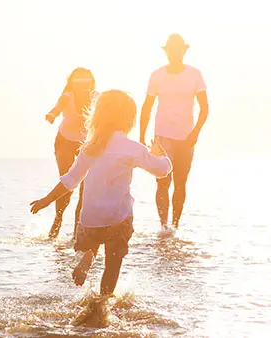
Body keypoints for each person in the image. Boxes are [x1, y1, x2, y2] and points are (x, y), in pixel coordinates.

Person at [31, 90, 173, 296]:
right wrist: (163, 155)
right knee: (112, 265)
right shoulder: (133, 148)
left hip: (90, 220)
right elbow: (161, 171)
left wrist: (46, 200)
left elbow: (70, 181)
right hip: (117, 218)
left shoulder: (90, 148)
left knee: (93, 238)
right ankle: (103, 301)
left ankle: (88, 255)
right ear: (129, 120)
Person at [140, 34, 209, 230]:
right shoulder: (157, 75)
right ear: (166, 51)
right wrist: (141, 136)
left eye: (178, 48)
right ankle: (164, 226)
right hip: (162, 137)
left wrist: (195, 133)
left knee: (180, 183)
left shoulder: (194, 74)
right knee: (162, 182)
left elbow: (204, 107)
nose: (174, 52)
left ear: (184, 51)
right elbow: (147, 107)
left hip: (186, 138)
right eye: (171, 48)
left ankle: (175, 227)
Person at [44, 67, 97, 239]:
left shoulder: (96, 97)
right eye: (78, 81)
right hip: (65, 141)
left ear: (90, 82)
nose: (82, 85)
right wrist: (51, 115)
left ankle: (77, 231)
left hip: (87, 144)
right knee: (67, 183)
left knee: (86, 187)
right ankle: (57, 220)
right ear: (72, 83)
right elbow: (57, 108)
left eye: (85, 81)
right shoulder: (67, 96)